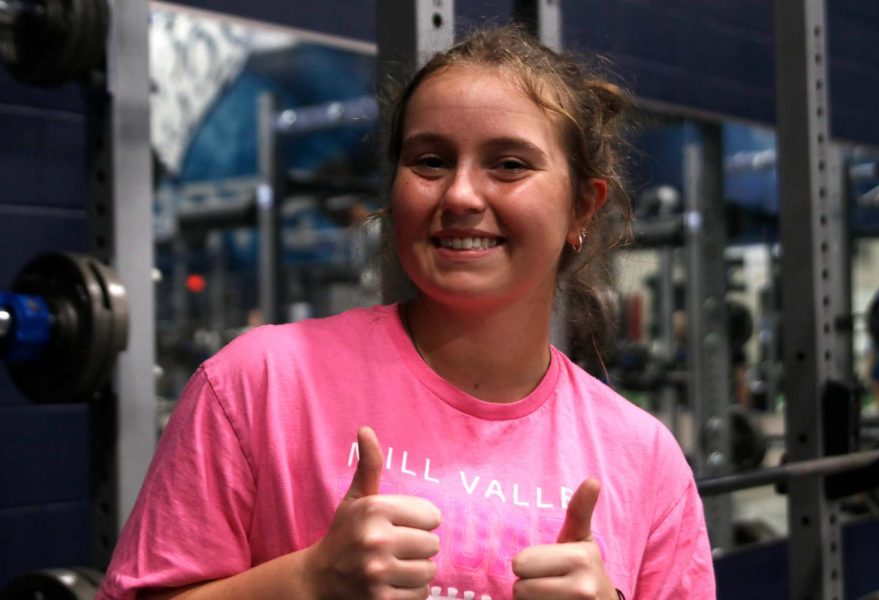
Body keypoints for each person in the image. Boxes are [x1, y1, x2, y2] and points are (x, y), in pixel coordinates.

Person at [98, 26, 715, 600]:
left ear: (583, 208)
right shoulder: (258, 385)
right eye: (430, 161)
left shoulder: (645, 458)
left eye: (509, 164)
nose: (461, 195)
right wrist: (307, 580)